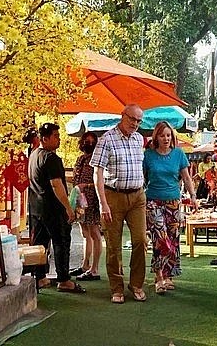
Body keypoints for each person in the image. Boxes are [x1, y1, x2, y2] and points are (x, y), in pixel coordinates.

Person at [90, 104, 147, 304]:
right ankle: (117, 288)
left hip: (138, 196)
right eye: (132, 119)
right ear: (122, 116)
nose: (135, 124)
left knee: (141, 240)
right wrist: (102, 203)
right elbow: (97, 173)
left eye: (139, 121)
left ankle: (137, 284)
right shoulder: (106, 140)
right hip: (113, 196)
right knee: (114, 245)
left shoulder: (139, 139)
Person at [28, 122, 86, 293]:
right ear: (45, 139)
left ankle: (40, 277)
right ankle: (64, 279)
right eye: (55, 136)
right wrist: (68, 208)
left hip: (37, 208)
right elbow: (56, 185)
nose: (58, 139)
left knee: (39, 244)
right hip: (53, 208)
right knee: (61, 242)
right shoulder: (51, 158)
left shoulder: (34, 155)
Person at [143, 121, 198, 294]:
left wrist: (193, 196)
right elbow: (142, 178)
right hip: (152, 201)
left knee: (173, 239)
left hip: (173, 201)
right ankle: (159, 277)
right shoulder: (148, 156)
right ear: (156, 137)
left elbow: (187, 178)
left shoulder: (178, 154)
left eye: (168, 135)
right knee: (160, 238)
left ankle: (168, 276)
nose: (166, 138)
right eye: (162, 135)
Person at [70, 132, 102, 282]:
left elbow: (100, 181)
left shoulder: (97, 160)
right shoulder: (80, 159)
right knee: (84, 232)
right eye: (86, 141)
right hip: (80, 199)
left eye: (91, 141)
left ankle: (94, 269)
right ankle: (85, 265)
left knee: (95, 233)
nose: (88, 143)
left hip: (92, 200)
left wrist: (86, 185)